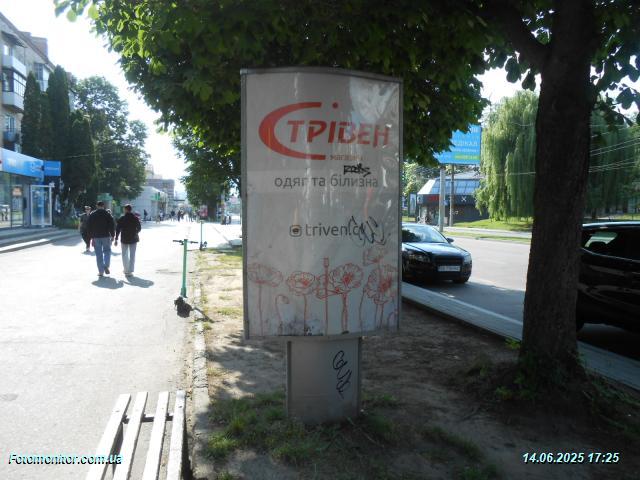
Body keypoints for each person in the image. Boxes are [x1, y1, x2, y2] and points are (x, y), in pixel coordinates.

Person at [86, 201, 115, 277]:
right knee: (107, 251)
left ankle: (101, 272)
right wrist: (113, 235)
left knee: (98, 254)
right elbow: (112, 225)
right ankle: (106, 265)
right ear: (103, 206)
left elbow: (88, 225)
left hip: (96, 237)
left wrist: (90, 236)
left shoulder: (92, 214)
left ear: (97, 206)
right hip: (106, 236)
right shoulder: (107, 214)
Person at [114, 204, 141, 277]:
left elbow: (117, 229)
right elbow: (139, 228)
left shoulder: (122, 218)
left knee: (124, 255)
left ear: (125, 209)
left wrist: (116, 238)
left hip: (124, 239)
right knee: (132, 255)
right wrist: (135, 232)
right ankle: (130, 270)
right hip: (133, 239)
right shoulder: (135, 218)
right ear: (131, 209)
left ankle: (126, 270)